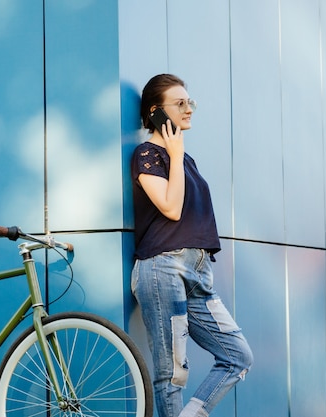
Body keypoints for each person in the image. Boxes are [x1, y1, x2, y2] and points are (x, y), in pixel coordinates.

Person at [130, 74, 253, 417]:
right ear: (156, 112)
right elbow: (170, 207)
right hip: (163, 268)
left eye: (190, 102)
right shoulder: (147, 155)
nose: (189, 109)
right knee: (173, 375)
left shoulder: (185, 159)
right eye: (179, 103)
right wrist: (174, 152)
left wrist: (178, 155)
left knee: (238, 356)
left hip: (198, 273)